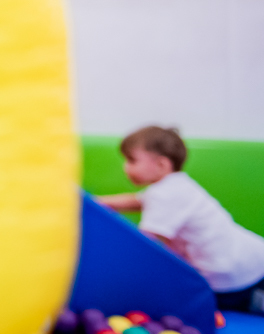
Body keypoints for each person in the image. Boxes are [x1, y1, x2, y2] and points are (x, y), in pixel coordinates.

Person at [99, 126, 264, 313]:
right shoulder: (174, 186)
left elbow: (147, 244)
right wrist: (92, 201)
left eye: (132, 160)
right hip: (247, 259)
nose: (125, 167)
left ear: (162, 164)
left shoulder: (166, 194)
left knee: (242, 301)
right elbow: (134, 201)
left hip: (236, 273)